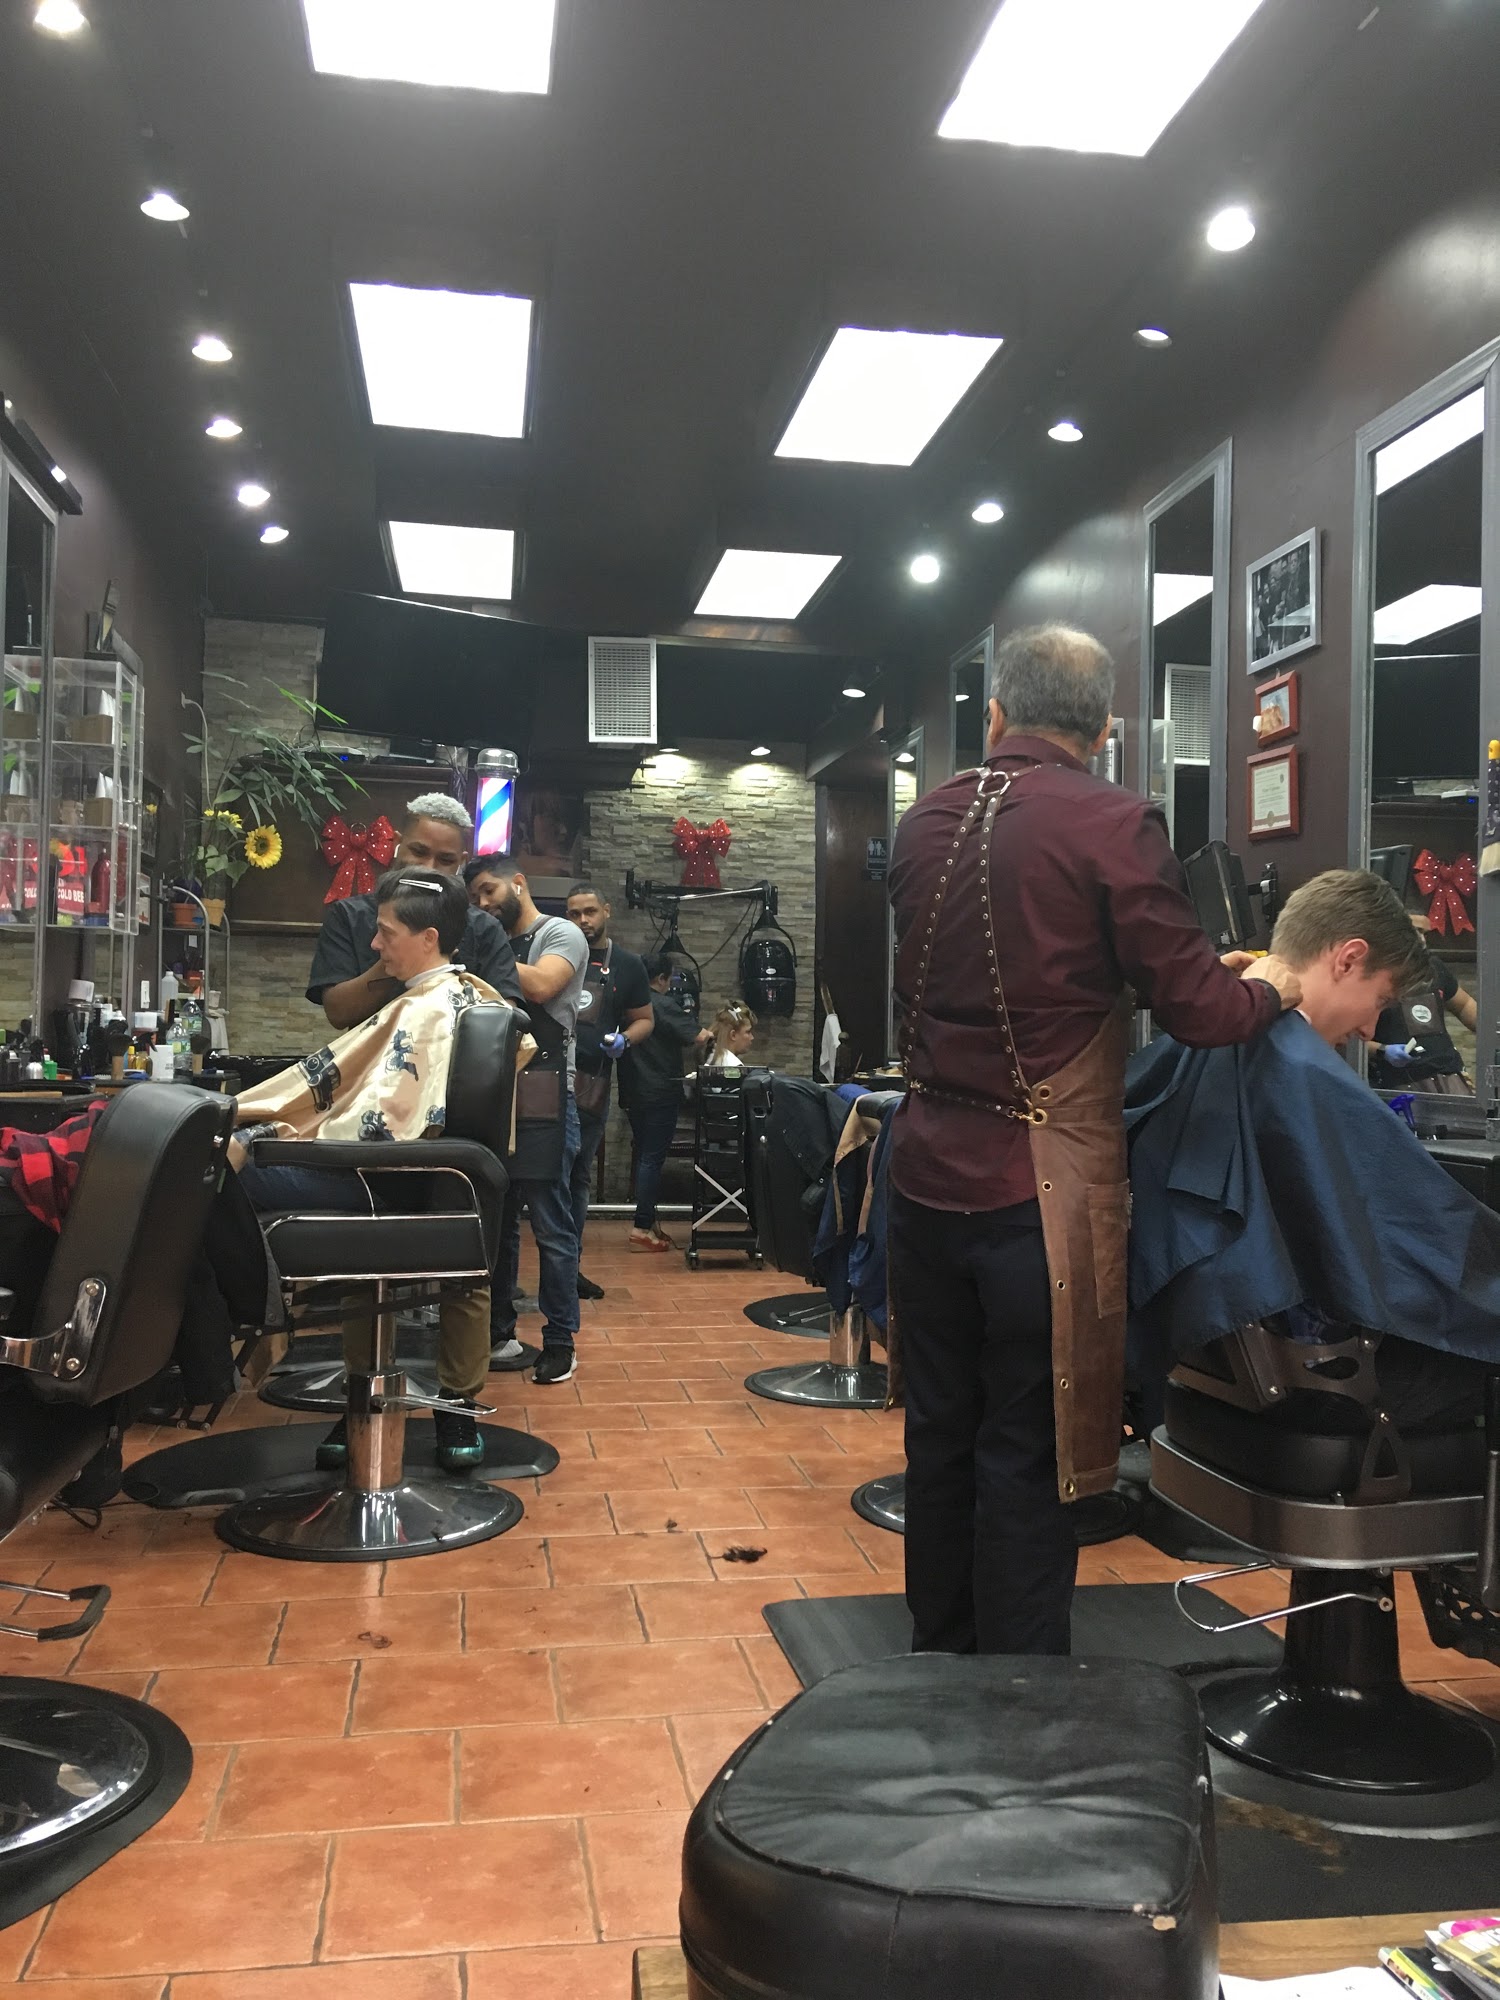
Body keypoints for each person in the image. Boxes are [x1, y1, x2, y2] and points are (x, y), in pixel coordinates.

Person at [887, 622, 1302, 1659]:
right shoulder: (1115, 822)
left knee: (939, 1437)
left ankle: (937, 1668)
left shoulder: (924, 820)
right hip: (1040, 1198)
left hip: (921, 1175)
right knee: (1025, 1452)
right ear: (1107, 730)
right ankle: (1020, 1698)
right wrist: (1273, 985)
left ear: (994, 715)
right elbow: (1202, 1012)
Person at [1125, 868, 1496, 1432]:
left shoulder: (1203, 1045)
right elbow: (1433, 1256)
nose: (1371, 1029)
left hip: (1214, 1359)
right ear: (1348, 958)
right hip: (1319, 1377)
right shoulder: (1301, 1073)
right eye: (1380, 999)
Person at [242, 866, 510, 1469]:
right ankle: (364, 1397)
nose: (373, 944)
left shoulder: (431, 1009)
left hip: (394, 1177)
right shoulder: (441, 997)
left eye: (386, 932)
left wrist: (265, 1126)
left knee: (225, 1167)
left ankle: (450, 1405)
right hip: (417, 1175)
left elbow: (378, 1121)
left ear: (429, 938)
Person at [465, 856, 588, 1385]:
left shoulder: (559, 933)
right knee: (498, 1227)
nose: (483, 903)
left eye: (489, 891)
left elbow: (540, 987)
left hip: (546, 1095)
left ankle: (561, 1342)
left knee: (551, 1226)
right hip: (493, 1093)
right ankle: (500, 1333)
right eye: (474, 898)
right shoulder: (487, 939)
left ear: (518, 883)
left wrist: (476, 955)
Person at [306, 794, 522, 1026]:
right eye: (419, 852)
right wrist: (397, 957)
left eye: (445, 860)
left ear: (461, 861)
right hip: (373, 1049)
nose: (429, 867)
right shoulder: (349, 915)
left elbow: (506, 1018)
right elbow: (338, 1014)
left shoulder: (484, 928)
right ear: (397, 844)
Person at [564, 881, 654, 1298]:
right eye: (574, 914)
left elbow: (644, 1019)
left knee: (578, 1176)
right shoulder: (557, 955)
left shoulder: (628, 965)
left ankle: (569, 1269)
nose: (583, 920)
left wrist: (625, 1040)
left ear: (606, 911)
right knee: (542, 1179)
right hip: (544, 1080)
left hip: (591, 1085)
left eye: (590, 912)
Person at [620, 953, 711, 1251]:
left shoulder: (627, 1002)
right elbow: (699, 1036)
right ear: (661, 978)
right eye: (669, 979)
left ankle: (649, 1224)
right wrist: (718, 1030)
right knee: (652, 1158)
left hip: (632, 1091)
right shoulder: (662, 1004)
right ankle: (641, 1227)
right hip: (659, 1091)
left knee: (644, 1155)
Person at [1366, 911, 1478, 1092]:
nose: (1422, 939)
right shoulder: (1370, 974)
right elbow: (1348, 1040)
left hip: (1449, 1073)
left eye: (1424, 933)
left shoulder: (1433, 967)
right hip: (1397, 1082)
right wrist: (1382, 1050)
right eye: (1415, 931)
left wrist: (1494, 1032)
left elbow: (1464, 1005)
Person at [705, 1000, 756, 1067]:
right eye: (748, 1032)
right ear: (733, 1035)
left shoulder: (711, 1057)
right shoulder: (732, 1066)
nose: (752, 1037)